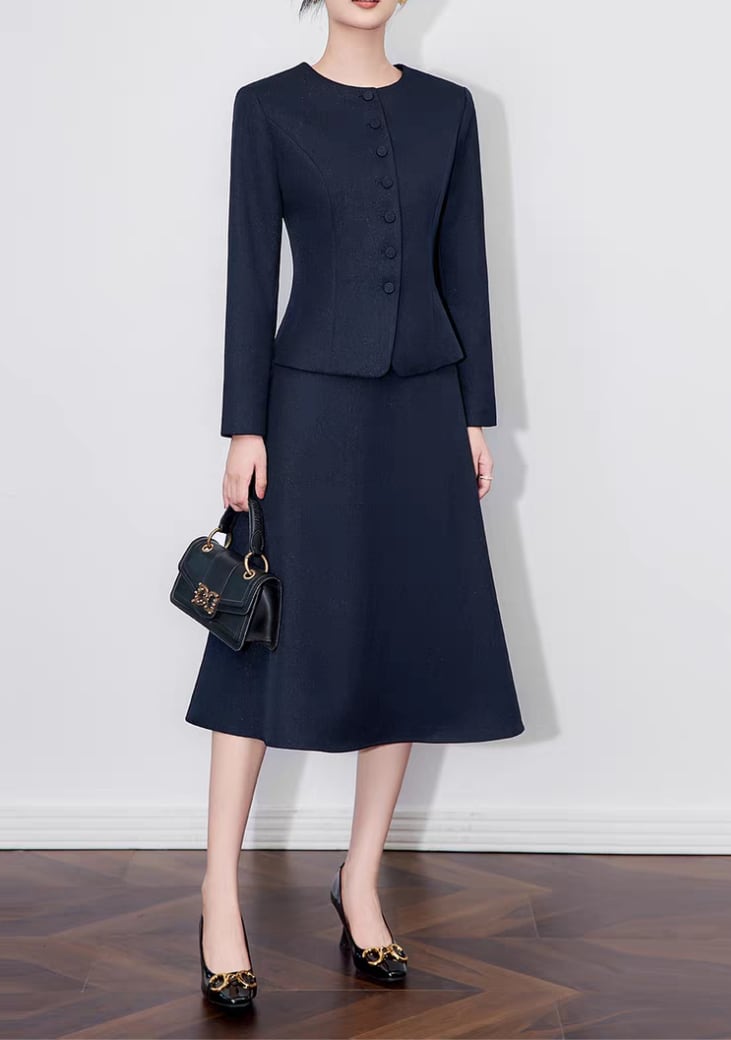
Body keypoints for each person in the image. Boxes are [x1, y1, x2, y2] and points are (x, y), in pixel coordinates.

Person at [184, 0, 525, 1010]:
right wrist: (244, 426)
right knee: (260, 635)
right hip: (309, 408)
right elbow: (250, 270)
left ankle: (361, 879)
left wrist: (473, 413)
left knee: (402, 636)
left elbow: (463, 265)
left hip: (423, 405)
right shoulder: (266, 108)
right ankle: (216, 890)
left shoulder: (449, 111)